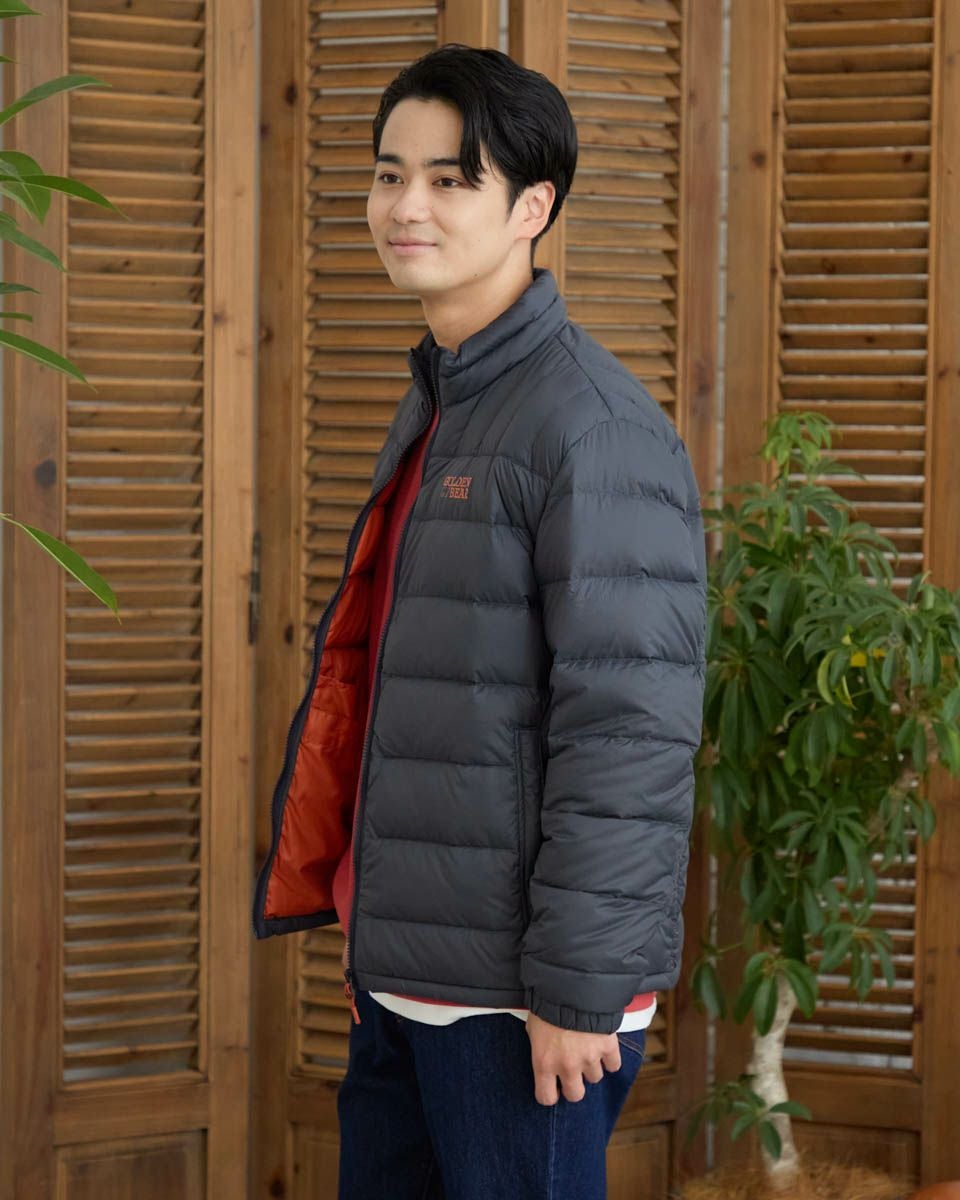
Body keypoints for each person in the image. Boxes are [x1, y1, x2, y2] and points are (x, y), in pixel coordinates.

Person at [253, 43, 707, 1200]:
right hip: (412, 980)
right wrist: (372, 931)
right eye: (389, 173)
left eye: (452, 179)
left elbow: (629, 734)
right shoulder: (451, 398)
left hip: (522, 1008)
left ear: (532, 208)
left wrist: (579, 993)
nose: (406, 206)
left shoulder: (591, 427)